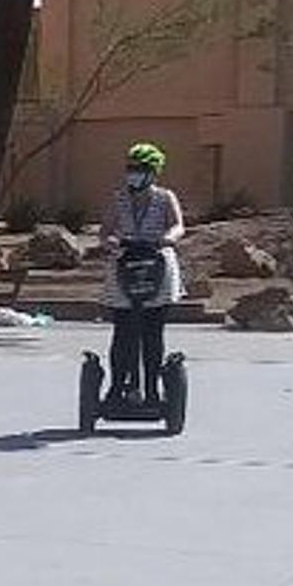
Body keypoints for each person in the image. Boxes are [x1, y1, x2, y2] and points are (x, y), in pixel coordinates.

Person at [99, 142, 186, 404]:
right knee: (122, 331)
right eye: (131, 168)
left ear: (153, 173)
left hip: (157, 264)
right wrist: (110, 241)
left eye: (140, 169)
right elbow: (105, 230)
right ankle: (117, 387)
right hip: (125, 265)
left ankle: (151, 390)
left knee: (152, 331)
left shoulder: (165, 197)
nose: (133, 174)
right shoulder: (118, 199)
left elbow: (178, 225)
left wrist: (167, 238)